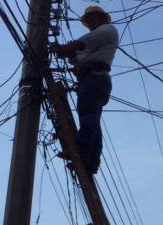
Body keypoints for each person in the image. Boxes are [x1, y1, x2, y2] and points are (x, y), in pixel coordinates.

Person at [52, 6, 119, 174]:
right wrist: (68, 54)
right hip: (91, 79)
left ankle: (81, 151)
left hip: (94, 78)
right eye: (86, 21)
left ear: (101, 17)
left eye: (90, 19)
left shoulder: (107, 30)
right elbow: (77, 59)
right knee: (92, 119)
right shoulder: (95, 44)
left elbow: (81, 43)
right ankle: (90, 162)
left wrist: (66, 48)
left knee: (89, 115)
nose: (88, 23)